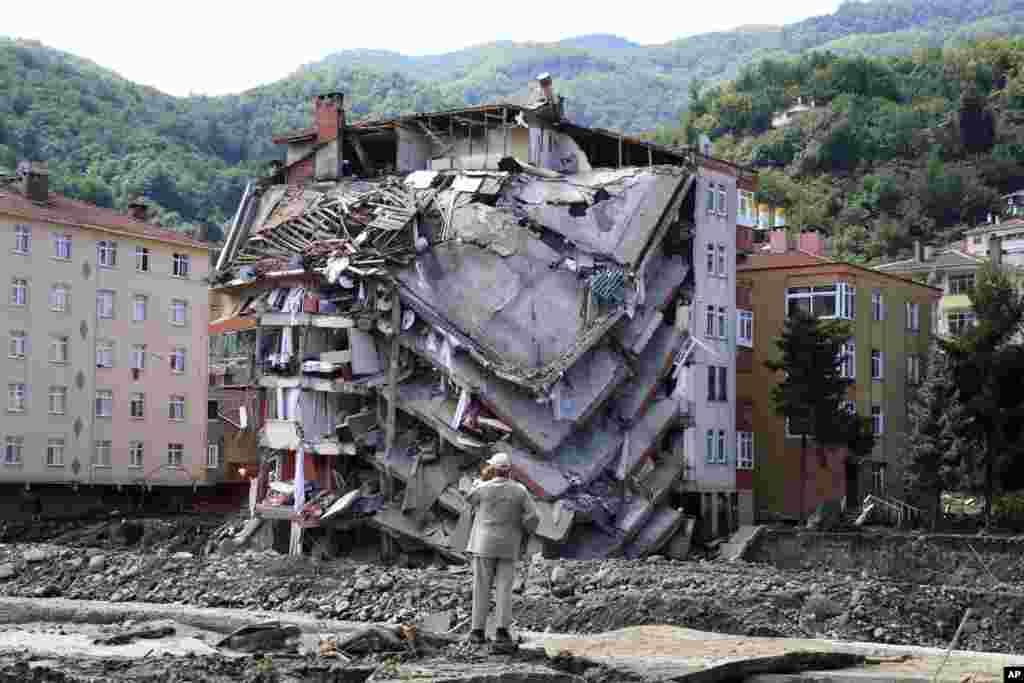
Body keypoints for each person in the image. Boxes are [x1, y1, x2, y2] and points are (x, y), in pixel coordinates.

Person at [465, 452, 539, 645]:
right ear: (509, 471)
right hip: (509, 545)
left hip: (483, 544)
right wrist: (524, 531)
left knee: (481, 586)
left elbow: (469, 499)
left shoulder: (482, 488)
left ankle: (477, 631)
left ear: (493, 468)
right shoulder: (520, 490)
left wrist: (481, 480)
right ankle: (501, 631)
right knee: (504, 588)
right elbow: (533, 517)